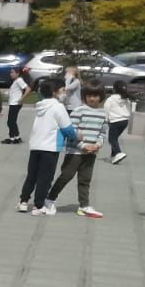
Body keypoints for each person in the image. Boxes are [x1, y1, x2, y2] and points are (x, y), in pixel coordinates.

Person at [47, 83, 108, 217]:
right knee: (66, 176)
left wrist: (97, 145)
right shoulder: (79, 111)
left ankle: (84, 205)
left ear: (101, 97)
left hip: (91, 152)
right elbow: (72, 132)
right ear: (84, 97)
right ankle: (50, 198)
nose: (92, 98)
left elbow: (103, 133)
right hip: (75, 151)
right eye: (89, 95)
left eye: (95, 96)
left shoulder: (103, 114)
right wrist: (83, 145)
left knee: (85, 179)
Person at [18, 79, 76, 216]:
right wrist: (76, 136)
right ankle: (39, 205)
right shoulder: (58, 107)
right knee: (45, 177)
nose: (64, 94)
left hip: (36, 145)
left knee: (32, 175)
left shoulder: (40, 105)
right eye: (62, 91)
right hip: (50, 147)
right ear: (54, 92)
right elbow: (67, 127)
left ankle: (23, 201)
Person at [104, 82, 133, 164]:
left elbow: (106, 110)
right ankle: (113, 156)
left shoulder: (110, 99)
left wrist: (105, 120)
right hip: (125, 121)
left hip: (115, 121)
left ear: (114, 89)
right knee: (115, 138)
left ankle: (118, 153)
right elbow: (129, 109)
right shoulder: (126, 99)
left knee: (111, 139)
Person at [3, 72, 28, 144]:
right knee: (12, 121)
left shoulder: (19, 80)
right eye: (10, 72)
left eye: (12, 72)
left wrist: (22, 99)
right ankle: (15, 138)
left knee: (10, 122)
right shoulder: (16, 81)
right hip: (13, 103)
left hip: (15, 104)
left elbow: (28, 89)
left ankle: (13, 138)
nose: (10, 74)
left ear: (18, 73)